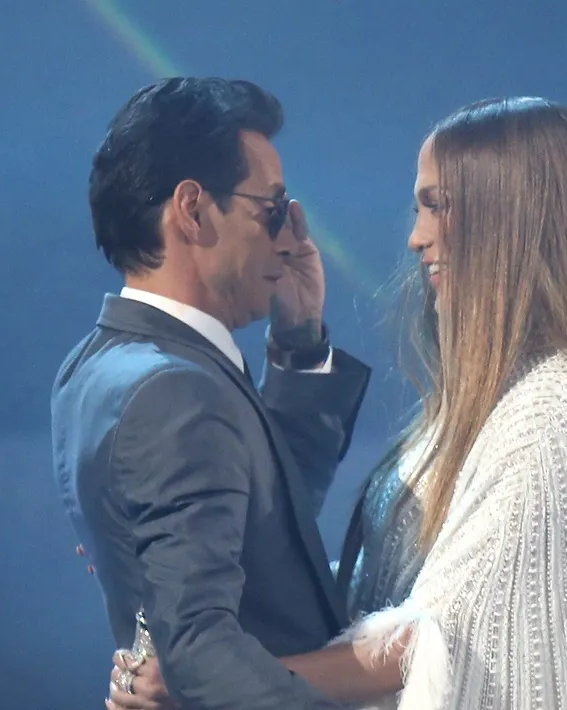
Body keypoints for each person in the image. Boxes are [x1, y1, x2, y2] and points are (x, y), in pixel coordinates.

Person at [110, 96, 567, 709]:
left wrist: (208, 681)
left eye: (438, 206)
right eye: (419, 207)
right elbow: (375, 590)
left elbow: (437, 639)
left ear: (512, 218)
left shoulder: (554, 417)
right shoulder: (493, 407)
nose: (416, 237)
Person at [52, 77, 371, 710]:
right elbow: (200, 652)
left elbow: (266, 531)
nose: (290, 236)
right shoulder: (175, 391)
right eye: (272, 210)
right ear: (193, 210)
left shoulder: (94, 367)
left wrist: (300, 342)